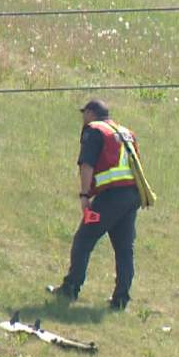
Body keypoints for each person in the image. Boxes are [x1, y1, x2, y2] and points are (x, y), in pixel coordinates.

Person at [51, 99, 142, 311]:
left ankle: (71, 287)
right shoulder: (125, 132)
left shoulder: (93, 131)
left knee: (84, 239)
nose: (83, 119)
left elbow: (87, 164)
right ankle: (121, 300)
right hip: (131, 197)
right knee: (124, 249)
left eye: (84, 114)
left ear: (91, 113)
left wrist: (84, 195)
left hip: (110, 197)